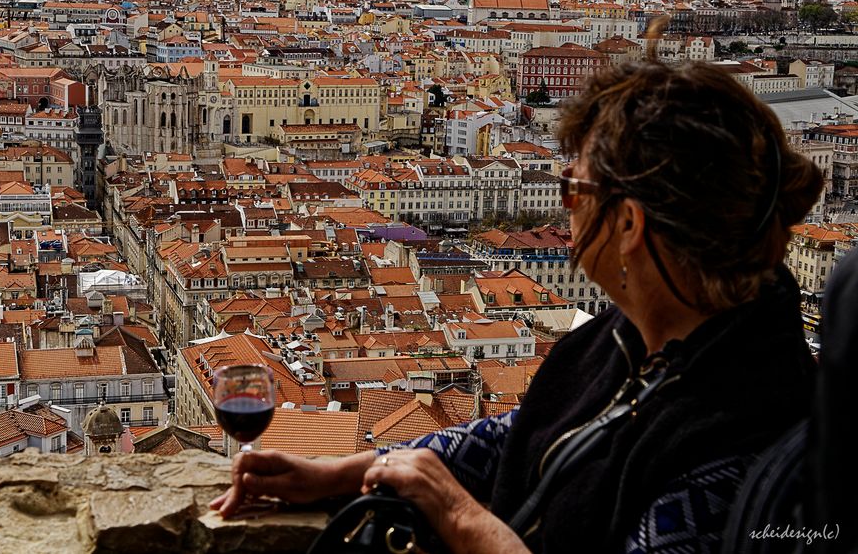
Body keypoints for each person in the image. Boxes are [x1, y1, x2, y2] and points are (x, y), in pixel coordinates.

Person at [210, 60, 824, 553]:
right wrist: (347, 471)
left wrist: (458, 515)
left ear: (629, 223)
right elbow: (527, 433)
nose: (563, 206)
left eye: (573, 188)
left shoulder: (742, 442)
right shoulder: (642, 334)